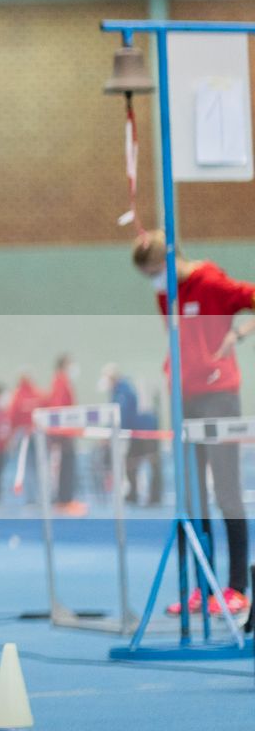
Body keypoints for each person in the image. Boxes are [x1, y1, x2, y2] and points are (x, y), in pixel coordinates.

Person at [134, 232, 252, 615]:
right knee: (191, 498)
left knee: (227, 493)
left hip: (220, 397)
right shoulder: (164, 293)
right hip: (184, 399)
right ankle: (200, 588)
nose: (153, 282)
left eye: (154, 272)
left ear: (172, 260)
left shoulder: (214, 283)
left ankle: (237, 588)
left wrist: (241, 331)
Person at [104, 364, 163, 506]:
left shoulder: (123, 390)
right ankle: (134, 494)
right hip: (137, 431)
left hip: (146, 431)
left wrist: (112, 433)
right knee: (131, 462)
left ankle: (154, 497)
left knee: (152, 462)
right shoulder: (120, 390)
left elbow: (121, 414)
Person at [43, 354, 85, 514]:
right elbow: (59, 407)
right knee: (66, 466)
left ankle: (65, 499)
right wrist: (62, 431)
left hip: (66, 431)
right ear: (63, 366)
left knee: (67, 466)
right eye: (70, 364)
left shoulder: (62, 382)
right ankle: (64, 500)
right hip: (63, 433)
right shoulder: (60, 382)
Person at [8, 374, 41, 502]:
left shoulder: (17, 396)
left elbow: (12, 417)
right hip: (38, 433)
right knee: (39, 466)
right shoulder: (38, 394)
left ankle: (31, 498)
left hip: (24, 435)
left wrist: (12, 437)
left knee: (27, 467)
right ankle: (40, 496)